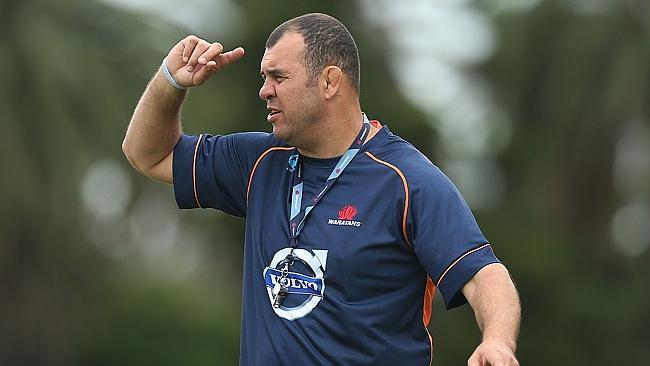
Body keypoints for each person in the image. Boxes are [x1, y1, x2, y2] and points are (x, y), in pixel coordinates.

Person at [122, 12, 520, 366]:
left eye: (279, 77)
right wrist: (170, 82)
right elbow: (147, 154)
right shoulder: (259, 162)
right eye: (265, 77)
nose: (264, 90)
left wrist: (497, 342)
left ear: (330, 81)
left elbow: (484, 274)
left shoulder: (406, 180)